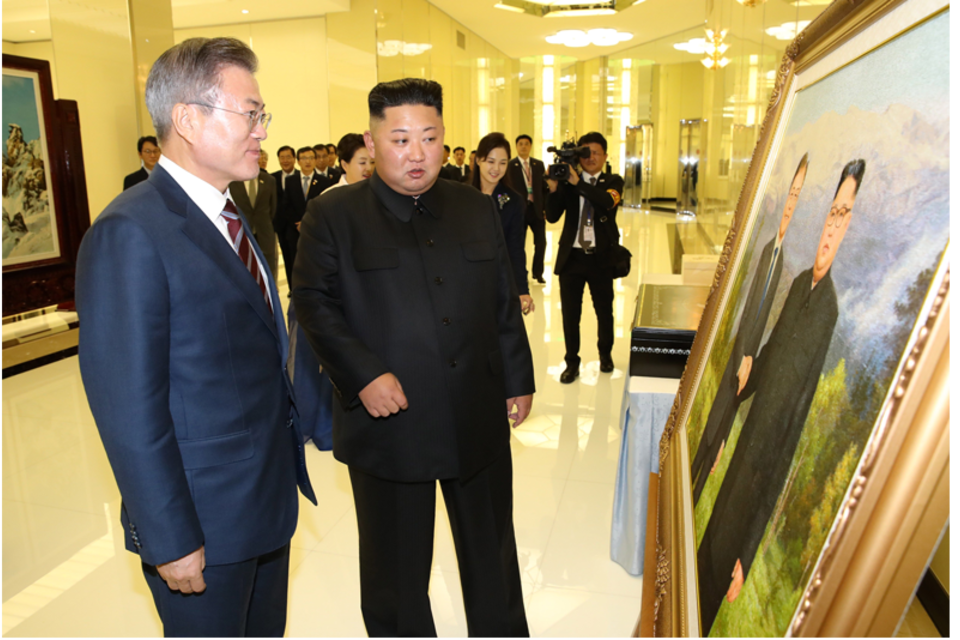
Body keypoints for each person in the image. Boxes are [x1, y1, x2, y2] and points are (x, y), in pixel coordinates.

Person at [75, 37, 315, 639]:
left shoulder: (231, 215)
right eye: (251, 112)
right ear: (187, 118)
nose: (262, 129)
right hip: (201, 527)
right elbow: (129, 408)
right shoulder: (130, 232)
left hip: (262, 505)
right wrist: (170, 536)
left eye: (263, 115)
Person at [293, 78, 534, 639]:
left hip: (475, 412)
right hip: (389, 422)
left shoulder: (474, 208)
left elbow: (501, 298)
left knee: (491, 555)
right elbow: (312, 301)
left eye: (429, 137)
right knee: (395, 576)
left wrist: (517, 379)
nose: (416, 152)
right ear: (372, 143)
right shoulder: (334, 216)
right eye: (400, 138)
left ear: (445, 140)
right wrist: (362, 373)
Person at [696, 160, 866, 632]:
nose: (831, 228)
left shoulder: (828, 313)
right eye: (831, 212)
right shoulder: (796, 286)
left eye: (843, 216)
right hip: (736, 464)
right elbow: (766, 362)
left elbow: (791, 437)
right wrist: (741, 381)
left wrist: (749, 552)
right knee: (699, 560)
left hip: (755, 485)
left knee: (714, 580)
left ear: (851, 226)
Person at [691, 154, 810, 504]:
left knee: (709, 455)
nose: (790, 204)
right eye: (790, 194)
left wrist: (748, 360)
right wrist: (744, 354)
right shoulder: (764, 250)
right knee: (701, 448)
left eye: (797, 197)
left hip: (738, 377)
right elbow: (744, 316)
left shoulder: (781, 257)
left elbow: (762, 328)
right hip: (730, 365)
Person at [288, 132, 372, 452]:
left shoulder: (375, 196)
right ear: (344, 163)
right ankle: (325, 425)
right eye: (361, 162)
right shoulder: (329, 201)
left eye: (371, 162)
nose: (368, 168)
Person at [546, 131, 624, 383]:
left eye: (595, 153)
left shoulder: (614, 181)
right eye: (585, 152)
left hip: (601, 258)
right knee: (570, 314)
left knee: (604, 310)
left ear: (605, 155)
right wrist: (555, 188)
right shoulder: (568, 182)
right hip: (572, 258)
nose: (590, 157)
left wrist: (577, 181)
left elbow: (605, 202)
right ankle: (571, 362)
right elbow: (552, 215)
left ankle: (606, 354)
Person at [472, 132, 535, 315]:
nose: (496, 169)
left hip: (498, 280)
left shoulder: (514, 201)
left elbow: (515, 248)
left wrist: (522, 289)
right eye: (490, 161)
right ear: (478, 160)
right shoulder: (462, 195)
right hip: (467, 279)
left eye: (503, 163)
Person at [281, 146, 331, 287]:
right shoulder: (291, 180)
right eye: (304, 158)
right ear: (298, 161)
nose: (307, 162)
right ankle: (294, 289)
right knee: (295, 262)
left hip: (317, 231)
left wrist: (308, 223)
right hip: (295, 230)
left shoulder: (324, 181)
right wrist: (297, 223)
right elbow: (286, 205)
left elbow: (325, 206)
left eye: (310, 158)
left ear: (315, 160)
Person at [229, 149, 279, 280]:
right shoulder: (233, 181)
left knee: (268, 266)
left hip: (264, 231)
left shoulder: (269, 180)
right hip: (242, 230)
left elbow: (273, 208)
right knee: (244, 265)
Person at [508, 134, 548, 285]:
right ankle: (521, 273)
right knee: (519, 244)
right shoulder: (511, 166)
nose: (524, 146)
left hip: (536, 209)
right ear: (516, 147)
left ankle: (538, 273)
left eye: (526, 144)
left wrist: (544, 208)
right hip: (519, 210)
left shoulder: (539, 165)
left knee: (541, 243)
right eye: (520, 144)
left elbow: (543, 189)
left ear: (530, 146)